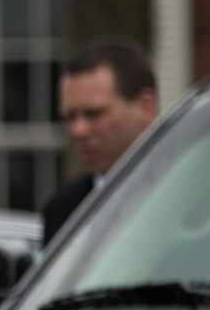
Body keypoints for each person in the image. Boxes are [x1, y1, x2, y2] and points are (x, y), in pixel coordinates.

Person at [42, 39, 158, 245]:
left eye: (94, 114)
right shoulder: (63, 208)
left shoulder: (189, 195)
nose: (78, 130)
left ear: (144, 107)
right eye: (70, 117)